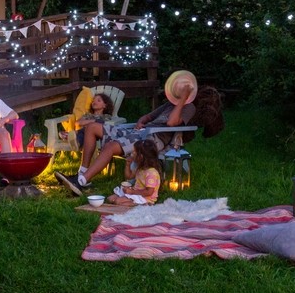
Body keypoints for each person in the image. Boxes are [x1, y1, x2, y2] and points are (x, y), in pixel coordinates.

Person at [55, 69, 198, 196]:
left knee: (111, 146)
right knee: (92, 126)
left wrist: (183, 100)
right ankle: (81, 174)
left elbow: (171, 122)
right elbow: (147, 117)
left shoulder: (189, 107)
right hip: (137, 132)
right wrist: (141, 122)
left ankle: (81, 180)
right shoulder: (168, 105)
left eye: (183, 91)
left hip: (152, 137)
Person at [106, 139, 162, 206]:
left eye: (134, 152)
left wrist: (132, 192)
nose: (132, 154)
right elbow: (128, 176)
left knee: (118, 202)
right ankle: (131, 201)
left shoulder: (151, 173)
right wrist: (127, 165)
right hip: (136, 193)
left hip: (145, 198)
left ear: (141, 157)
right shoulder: (140, 168)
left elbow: (149, 192)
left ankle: (143, 205)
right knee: (110, 199)